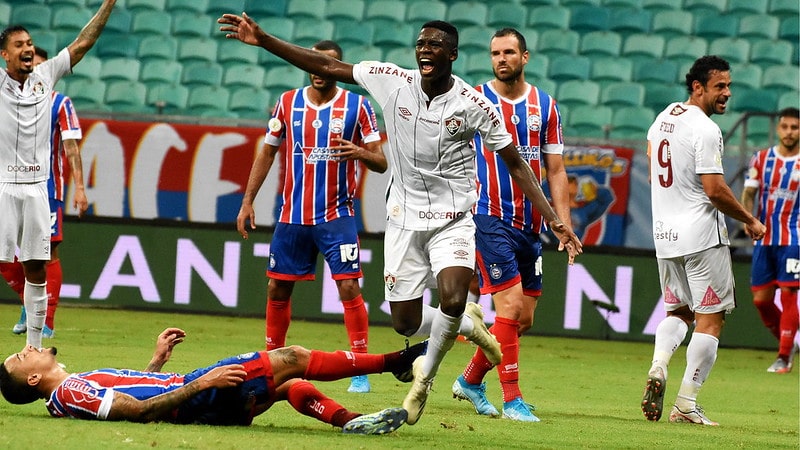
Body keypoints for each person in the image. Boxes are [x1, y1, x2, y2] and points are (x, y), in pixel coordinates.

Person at [218, 15, 582, 426]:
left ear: (453, 55)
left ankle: (424, 380)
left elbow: (516, 163)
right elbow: (327, 66)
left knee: (452, 294)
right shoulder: (390, 79)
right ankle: (467, 325)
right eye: (421, 42)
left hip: (454, 219)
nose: (425, 48)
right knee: (404, 322)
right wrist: (264, 39)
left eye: (436, 44)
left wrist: (554, 219)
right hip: (404, 221)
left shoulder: (475, 105)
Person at [235, 40, 386, 394]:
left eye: (327, 64)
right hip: (293, 216)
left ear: (337, 67)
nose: (319, 70)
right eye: (314, 63)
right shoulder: (288, 103)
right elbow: (268, 152)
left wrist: (360, 152)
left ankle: (360, 367)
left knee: (348, 285)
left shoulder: (358, 106)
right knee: (277, 286)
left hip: (337, 215)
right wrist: (247, 201)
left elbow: (381, 163)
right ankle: (272, 361)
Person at [450, 28, 569, 423]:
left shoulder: (545, 106)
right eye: (495, 53)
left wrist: (561, 223)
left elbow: (556, 169)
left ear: (525, 56)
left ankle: (469, 379)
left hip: (531, 223)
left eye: (509, 52)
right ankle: (513, 399)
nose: (501, 59)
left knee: (523, 320)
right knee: (511, 307)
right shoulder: (473, 100)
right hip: (488, 215)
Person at [641, 55, 766, 426]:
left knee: (677, 312)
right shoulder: (706, 129)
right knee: (710, 320)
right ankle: (685, 403)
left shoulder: (664, 117)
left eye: (729, 86)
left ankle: (659, 365)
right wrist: (750, 219)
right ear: (698, 87)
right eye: (720, 87)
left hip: (665, 237)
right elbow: (714, 190)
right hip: (701, 238)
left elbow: (652, 170)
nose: (727, 93)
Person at [0, 327, 427, 434]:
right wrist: (200, 385)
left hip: (189, 397)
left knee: (283, 388)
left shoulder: (74, 388)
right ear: (33, 377)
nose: (28, 349)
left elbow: (133, 394)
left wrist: (154, 362)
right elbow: (138, 413)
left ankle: (348, 420)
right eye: (21, 357)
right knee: (292, 358)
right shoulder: (70, 391)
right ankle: (398, 361)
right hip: (193, 398)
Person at [0, 0, 116, 350]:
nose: (28, 49)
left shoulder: (46, 77)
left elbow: (82, 43)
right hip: (4, 185)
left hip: (38, 188)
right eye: (19, 45)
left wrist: (108, 5)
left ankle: (34, 348)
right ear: (4, 55)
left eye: (30, 43)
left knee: (37, 266)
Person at [3, 46, 88, 339]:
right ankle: (29, 302)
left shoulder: (60, 103)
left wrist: (80, 186)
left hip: (47, 189)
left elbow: (70, 146)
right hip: (9, 185)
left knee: (46, 254)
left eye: (40, 66)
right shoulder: (8, 99)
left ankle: (45, 319)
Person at [740, 107, 799, 373]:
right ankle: (789, 343)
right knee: (761, 301)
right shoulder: (761, 159)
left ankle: (784, 356)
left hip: (794, 237)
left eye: (794, 127)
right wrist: (746, 217)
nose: (789, 132)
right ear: (777, 129)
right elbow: (749, 192)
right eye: (785, 127)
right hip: (764, 238)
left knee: (788, 294)